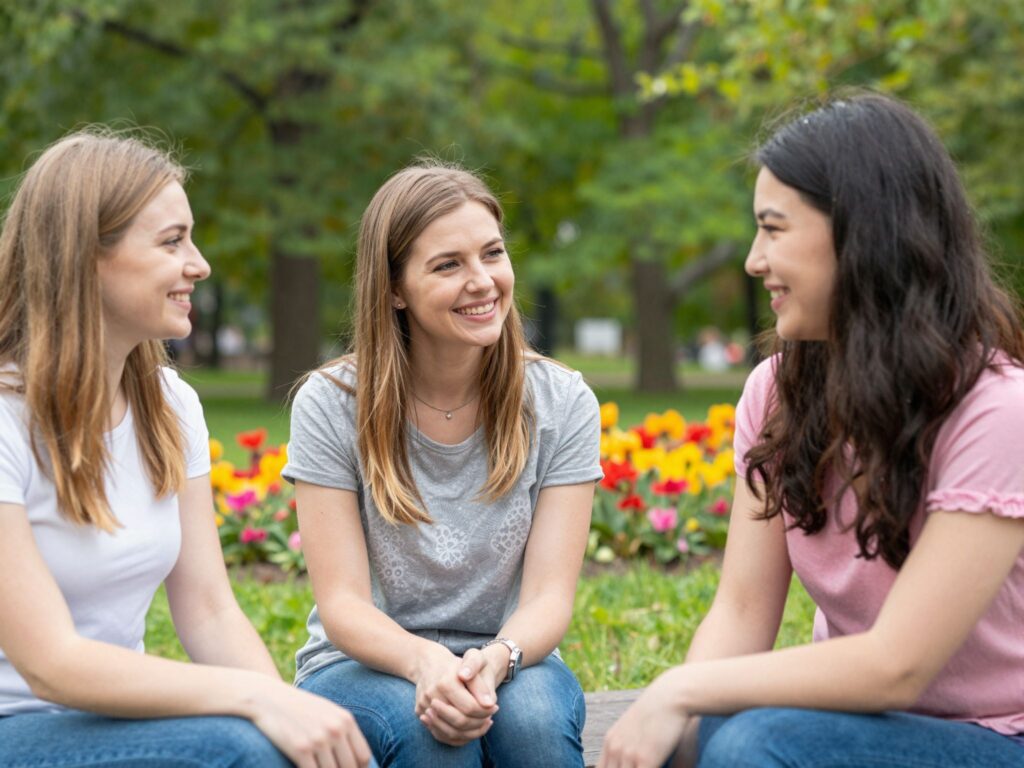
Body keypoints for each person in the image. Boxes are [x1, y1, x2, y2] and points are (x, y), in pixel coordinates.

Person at [599, 92, 1024, 768]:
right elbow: (741, 613)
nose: (752, 260)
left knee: (752, 742)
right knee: (699, 739)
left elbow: (897, 665)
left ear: (863, 234)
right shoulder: (777, 393)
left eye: (773, 229)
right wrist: (668, 724)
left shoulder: (995, 411)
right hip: (852, 727)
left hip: (995, 736)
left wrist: (681, 687)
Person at [0, 129, 372, 768]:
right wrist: (253, 702)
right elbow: (52, 665)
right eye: (172, 242)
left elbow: (208, 610)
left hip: (107, 726)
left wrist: (286, 710)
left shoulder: (169, 405)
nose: (198, 264)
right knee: (239, 745)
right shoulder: (8, 421)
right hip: (18, 727)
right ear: (86, 256)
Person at [284, 162, 602, 767]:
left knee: (533, 724)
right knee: (430, 733)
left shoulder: (562, 402)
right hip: (360, 664)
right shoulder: (330, 403)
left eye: (492, 254)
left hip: (510, 654)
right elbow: (343, 605)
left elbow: (549, 599)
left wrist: (498, 657)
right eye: (448, 264)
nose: (482, 281)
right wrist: (426, 662)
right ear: (394, 289)